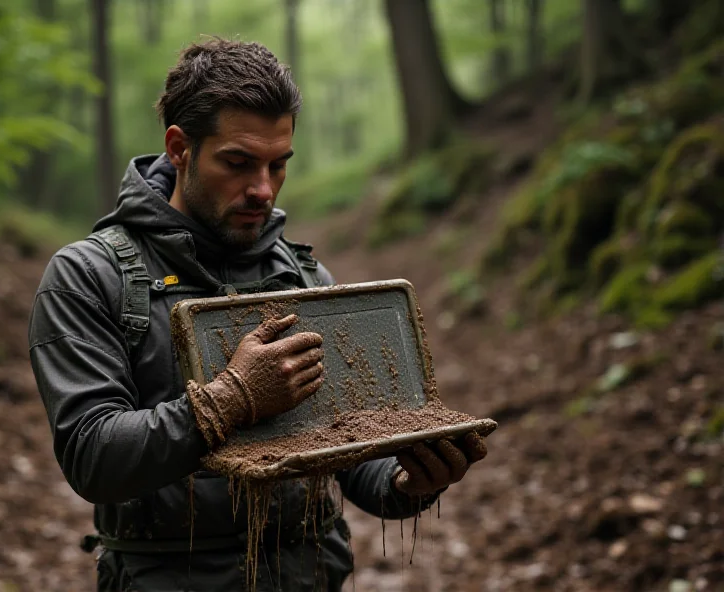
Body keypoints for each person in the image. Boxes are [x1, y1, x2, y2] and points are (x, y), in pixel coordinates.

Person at [28, 38, 487, 592]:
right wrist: (232, 399)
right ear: (179, 147)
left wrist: (410, 481)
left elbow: (349, 446)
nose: (263, 189)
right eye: (239, 163)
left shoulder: (306, 279)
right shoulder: (90, 275)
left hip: (310, 577)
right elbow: (92, 455)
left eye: (278, 164)